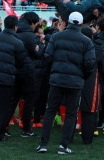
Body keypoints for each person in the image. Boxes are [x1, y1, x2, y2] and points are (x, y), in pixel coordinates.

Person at [36, 12, 96, 154]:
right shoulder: (86, 41)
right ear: (81, 24)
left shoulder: (57, 36)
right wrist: (82, 76)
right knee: (70, 114)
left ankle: (43, 144)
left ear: (68, 22)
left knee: (50, 111)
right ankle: (64, 146)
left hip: (57, 79)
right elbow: (89, 64)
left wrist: (54, 71)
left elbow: (48, 57)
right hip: (75, 81)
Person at [8, 12, 43, 137]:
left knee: (13, 100)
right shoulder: (30, 35)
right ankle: (27, 129)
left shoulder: (15, 33)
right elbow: (37, 54)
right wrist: (40, 44)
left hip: (14, 70)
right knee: (29, 100)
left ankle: (4, 127)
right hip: (27, 72)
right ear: (32, 23)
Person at [80, 26, 104, 144]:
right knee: (89, 110)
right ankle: (87, 138)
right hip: (91, 82)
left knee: (72, 110)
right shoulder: (97, 49)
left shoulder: (76, 47)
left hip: (75, 80)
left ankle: (68, 137)